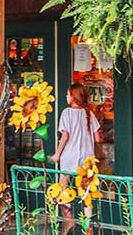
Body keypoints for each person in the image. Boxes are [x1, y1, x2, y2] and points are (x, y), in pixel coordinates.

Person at [50, 83, 101, 229]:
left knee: (63, 188)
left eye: (67, 94)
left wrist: (57, 154)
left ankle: (68, 223)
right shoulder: (89, 113)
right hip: (87, 159)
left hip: (69, 157)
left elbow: (65, 136)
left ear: (73, 97)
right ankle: (88, 226)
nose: (66, 96)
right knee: (86, 193)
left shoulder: (67, 113)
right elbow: (98, 138)